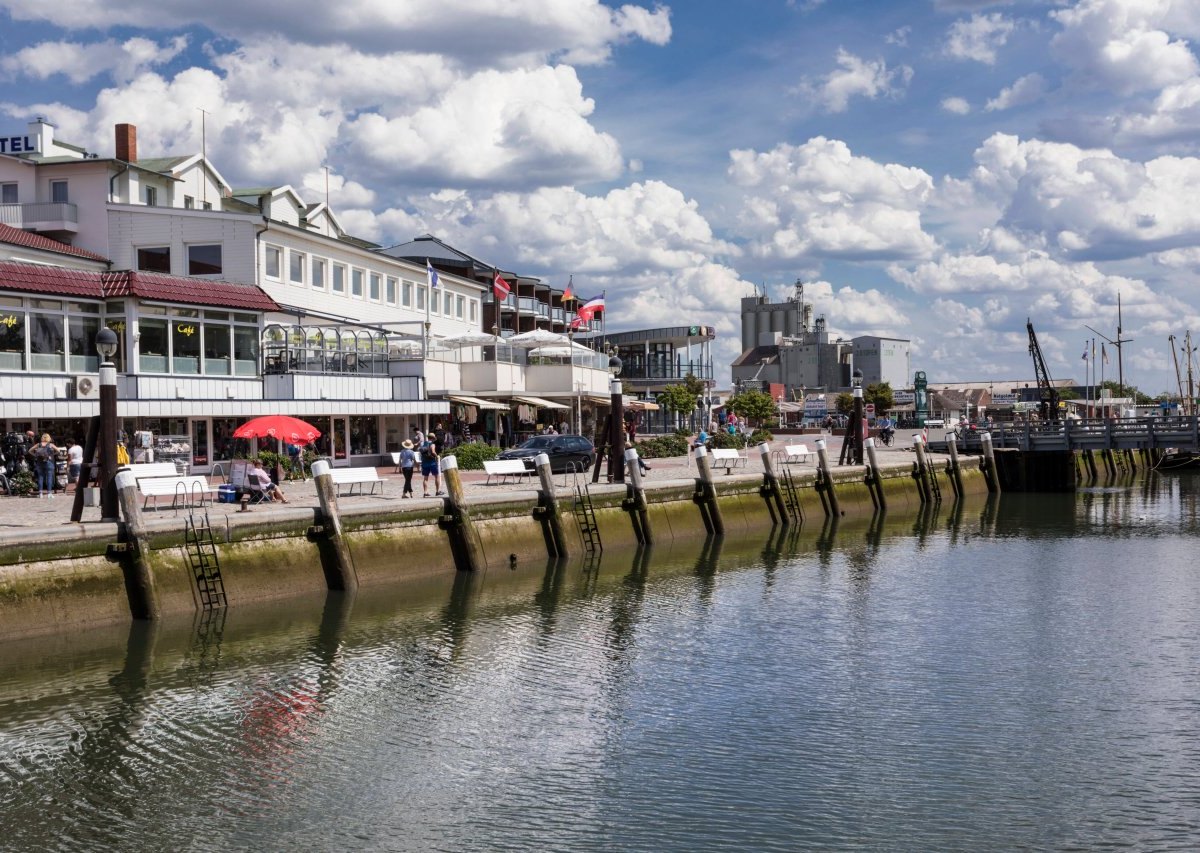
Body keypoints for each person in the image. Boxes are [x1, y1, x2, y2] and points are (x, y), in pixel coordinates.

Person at [29, 433, 58, 498]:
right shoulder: (50, 445)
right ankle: (49, 493)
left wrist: (35, 455)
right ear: (49, 438)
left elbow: (30, 451)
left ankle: (40, 493)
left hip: (39, 462)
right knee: (49, 477)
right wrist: (52, 454)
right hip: (49, 462)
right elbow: (58, 451)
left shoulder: (38, 444)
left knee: (40, 477)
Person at [419, 432, 442, 497]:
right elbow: (433, 451)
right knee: (436, 476)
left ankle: (425, 492)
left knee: (425, 478)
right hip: (432, 463)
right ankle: (437, 491)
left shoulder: (423, 444)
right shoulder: (432, 444)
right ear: (433, 438)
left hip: (424, 463)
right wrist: (437, 456)